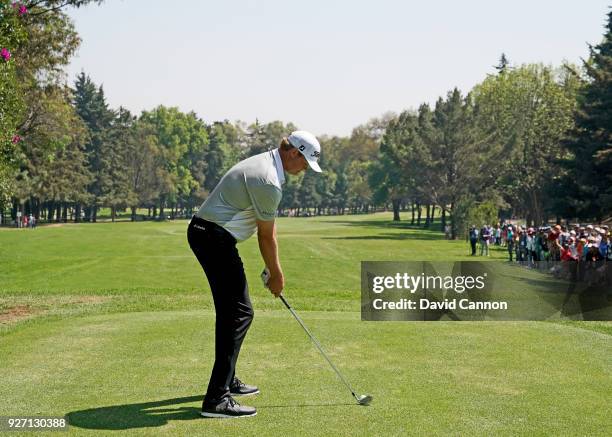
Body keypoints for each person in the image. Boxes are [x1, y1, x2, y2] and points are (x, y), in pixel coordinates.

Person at [187, 131, 322, 419]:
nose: (305, 170)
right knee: (239, 313)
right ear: (294, 153)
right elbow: (266, 235)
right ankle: (217, 399)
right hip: (212, 238)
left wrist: (272, 269)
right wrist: (276, 274)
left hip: (211, 236)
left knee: (232, 312)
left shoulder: (267, 166)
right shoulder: (268, 179)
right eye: (306, 163)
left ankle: (227, 381)